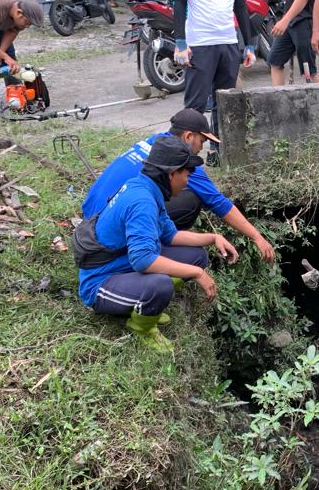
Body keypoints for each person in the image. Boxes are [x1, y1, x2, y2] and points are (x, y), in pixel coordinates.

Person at [75, 138, 237, 352]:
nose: (188, 182)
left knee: (196, 256)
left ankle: (147, 303)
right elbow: (142, 260)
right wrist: (198, 274)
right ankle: (142, 326)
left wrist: (213, 238)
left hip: (121, 261)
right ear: (172, 173)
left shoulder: (147, 187)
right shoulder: (142, 202)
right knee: (160, 285)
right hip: (100, 282)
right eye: (187, 175)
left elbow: (169, 235)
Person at [81, 108, 275, 260]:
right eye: (202, 141)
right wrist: (257, 237)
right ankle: (152, 244)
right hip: (108, 232)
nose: (201, 148)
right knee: (193, 199)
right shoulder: (179, 158)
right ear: (188, 137)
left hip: (91, 218)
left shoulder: (155, 142)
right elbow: (219, 203)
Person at [172, 0, 256, 163]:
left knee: (225, 102)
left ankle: (218, 152)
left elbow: (241, 6)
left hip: (227, 43)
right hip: (200, 43)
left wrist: (250, 44)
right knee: (195, 106)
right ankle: (185, 157)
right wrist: (180, 43)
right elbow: (179, 3)